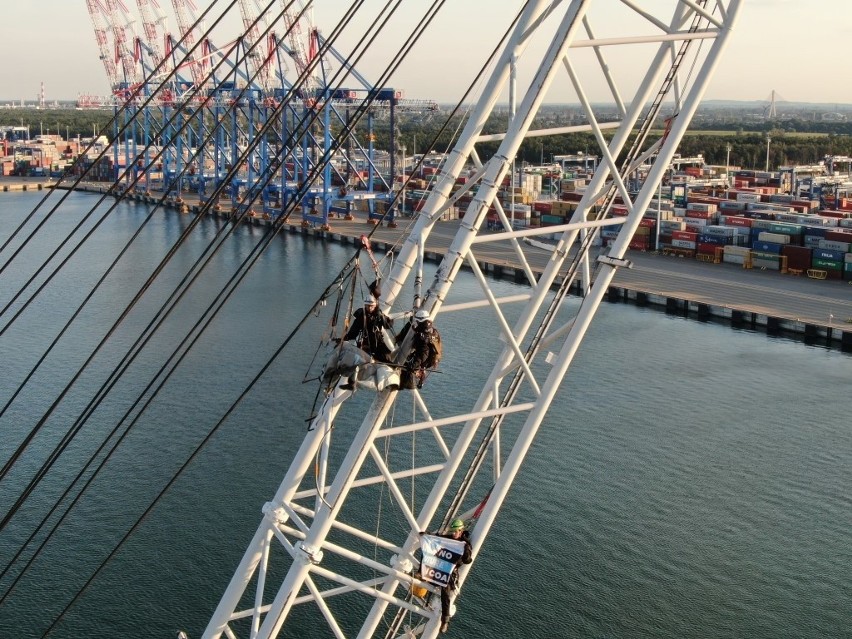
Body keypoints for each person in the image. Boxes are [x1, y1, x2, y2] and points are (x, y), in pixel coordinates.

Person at [339, 296, 394, 390]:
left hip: (378, 343)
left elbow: (388, 325)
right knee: (358, 360)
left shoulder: (379, 315)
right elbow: (354, 331)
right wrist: (344, 339)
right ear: (365, 305)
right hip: (366, 343)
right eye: (367, 306)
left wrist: (385, 319)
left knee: (387, 360)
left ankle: (389, 382)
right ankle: (352, 383)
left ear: (375, 305)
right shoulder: (361, 316)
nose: (369, 308)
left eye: (371, 306)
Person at [438, 518, 472, 634]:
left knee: (445, 592)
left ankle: (445, 620)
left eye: (455, 532)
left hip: (449, 573)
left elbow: (467, 560)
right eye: (452, 531)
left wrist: (466, 551)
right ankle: (420, 572)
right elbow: (436, 540)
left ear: (461, 531)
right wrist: (427, 536)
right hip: (439, 568)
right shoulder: (450, 539)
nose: (453, 534)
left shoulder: (464, 544)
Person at [397, 309, 442, 389]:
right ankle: (416, 380)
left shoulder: (423, 336)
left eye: (417, 321)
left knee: (407, 366)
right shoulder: (431, 330)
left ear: (421, 321)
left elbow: (423, 354)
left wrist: (414, 364)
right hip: (430, 358)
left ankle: (404, 385)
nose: (416, 323)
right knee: (412, 365)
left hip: (426, 359)